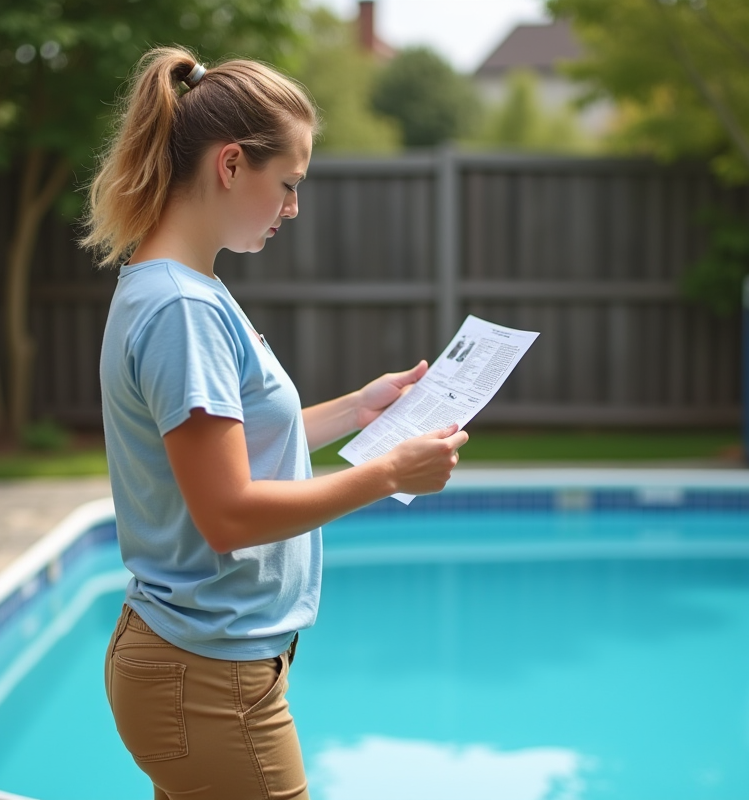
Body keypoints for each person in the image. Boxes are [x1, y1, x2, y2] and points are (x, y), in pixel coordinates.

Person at [83, 47, 468, 800]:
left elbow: (240, 440)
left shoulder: (184, 289)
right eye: (288, 184)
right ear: (231, 165)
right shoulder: (183, 311)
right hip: (205, 681)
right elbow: (228, 513)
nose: (293, 207)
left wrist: (359, 409)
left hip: (199, 668)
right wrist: (386, 474)